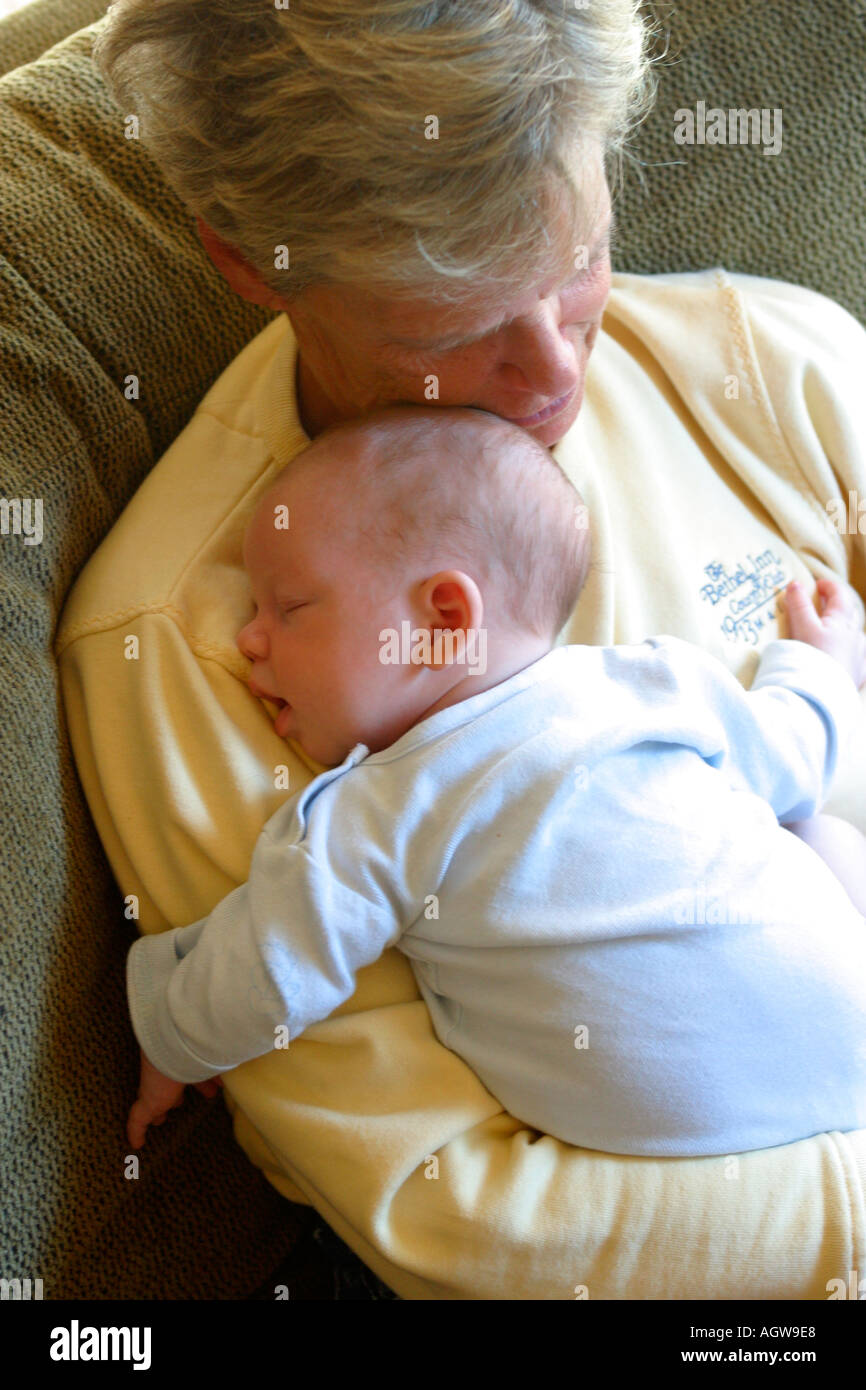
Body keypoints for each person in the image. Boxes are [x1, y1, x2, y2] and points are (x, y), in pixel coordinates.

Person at [55, 0, 866, 1297]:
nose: (553, 370)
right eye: (448, 329)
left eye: (577, 260)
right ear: (248, 258)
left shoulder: (775, 367)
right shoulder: (204, 651)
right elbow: (481, 1222)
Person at [124, 402, 866, 1162]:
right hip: (840, 1028)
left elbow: (268, 961)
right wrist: (821, 666)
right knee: (820, 833)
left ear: (443, 618)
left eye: (289, 608)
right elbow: (794, 757)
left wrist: (169, 1039)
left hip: (674, 1144)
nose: (248, 639)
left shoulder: (377, 810)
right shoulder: (646, 682)